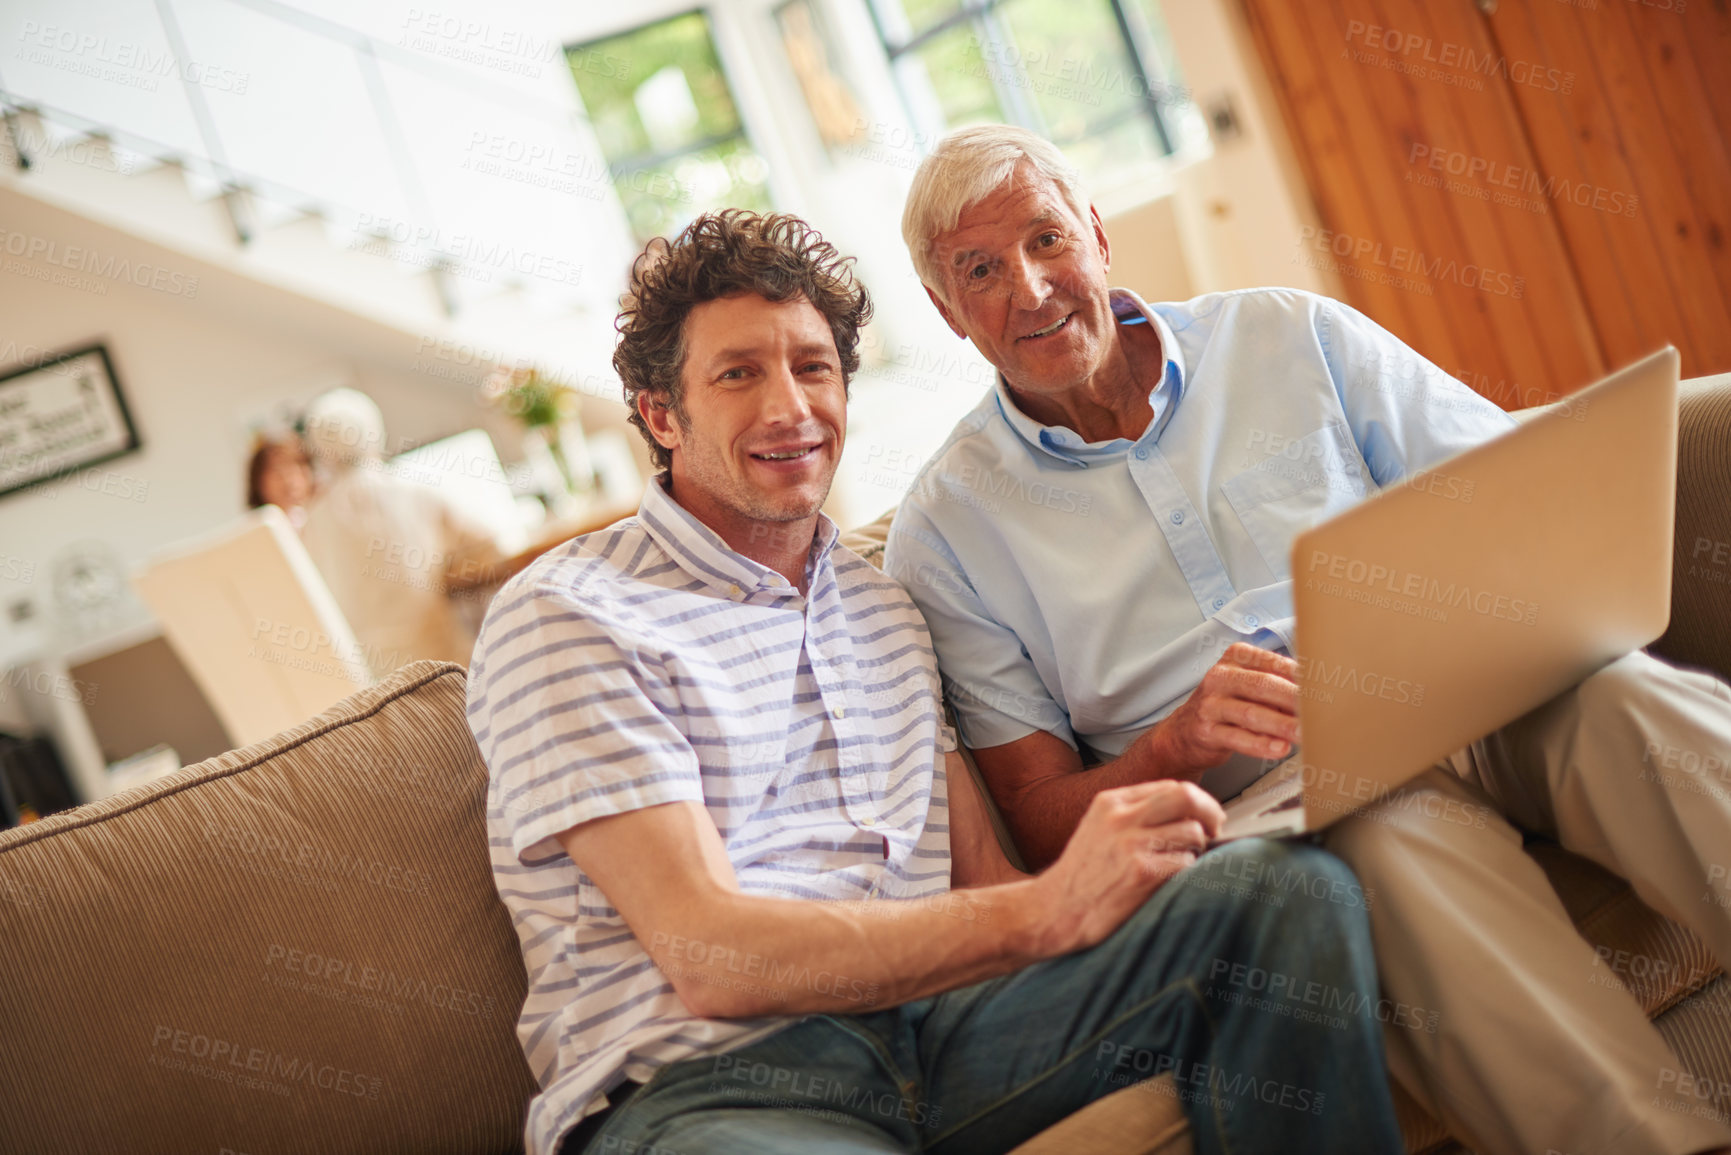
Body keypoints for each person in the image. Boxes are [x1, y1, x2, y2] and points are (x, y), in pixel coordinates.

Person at [464, 210, 1403, 1155]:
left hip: (948, 1033)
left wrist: (1130, 851)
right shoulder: (570, 615)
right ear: (662, 413)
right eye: (739, 372)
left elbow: (984, 880)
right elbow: (713, 956)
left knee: (1280, 892)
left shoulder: (882, 605)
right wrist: (1046, 907)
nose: (790, 407)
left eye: (813, 366)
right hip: (712, 1092)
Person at [884, 123, 1731, 1155]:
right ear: (944, 308)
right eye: (980, 270)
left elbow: (1515, 492)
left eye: (1047, 240)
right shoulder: (947, 532)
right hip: (1280, 799)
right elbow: (1039, 818)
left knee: (1623, 702)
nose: (1029, 288)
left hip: (1472, 685)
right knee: (1390, 847)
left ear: (1097, 236)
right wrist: (1173, 748)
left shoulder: (1288, 335)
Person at [299, 388, 502, 677]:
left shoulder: (312, 523)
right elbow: (490, 543)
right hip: (446, 664)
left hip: (377, 681)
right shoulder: (413, 493)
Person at [245, 433, 314, 529]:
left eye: (292, 468)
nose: (287, 479)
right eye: (277, 470)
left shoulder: (317, 518)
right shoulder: (255, 529)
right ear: (259, 482)